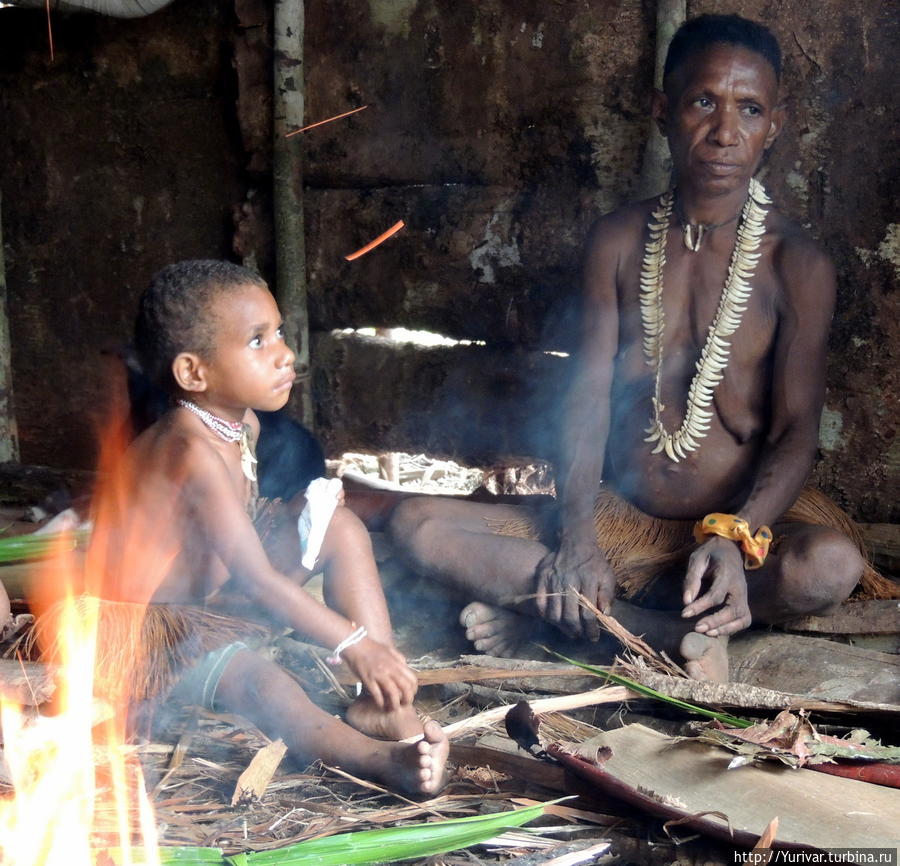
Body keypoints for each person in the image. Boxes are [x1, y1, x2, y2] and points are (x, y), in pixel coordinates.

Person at [388, 14, 895, 681]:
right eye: (703, 102)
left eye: (749, 109)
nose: (724, 131)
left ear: (775, 125)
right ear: (663, 111)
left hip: (734, 530)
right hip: (619, 521)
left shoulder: (794, 264)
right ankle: (651, 634)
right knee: (417, 523)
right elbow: (587, 397)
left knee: (830, 566)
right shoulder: (620, 241)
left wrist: (735, 536)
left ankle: (570, 624)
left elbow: (798, 429)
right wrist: (575, 540)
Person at [34, 259, 448, 796]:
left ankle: (387, 707)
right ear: (194, 373)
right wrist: (353, 643)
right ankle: (377, 760)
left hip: (207, 605)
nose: (284, 353)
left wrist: (306, 513)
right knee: (263, 683)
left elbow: (240, 532)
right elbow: (253, 578)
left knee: (339, 527)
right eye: (257, 341)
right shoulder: (189, 450)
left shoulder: (240, 423)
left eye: (277, 332)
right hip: (147, 639)